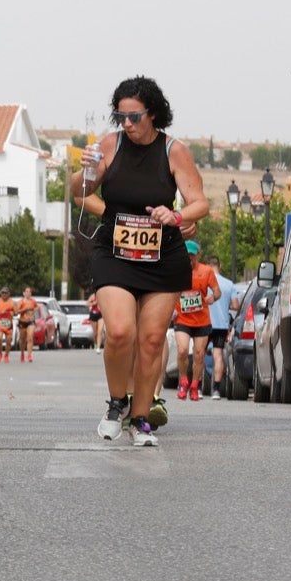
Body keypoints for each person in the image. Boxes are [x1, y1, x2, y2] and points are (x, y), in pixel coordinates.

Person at [68, 76, 208, 447]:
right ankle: (117, 403)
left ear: (154, 114)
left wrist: (176, 217)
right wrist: (85, 170)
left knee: (149, 341)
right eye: (121, 116)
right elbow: (79, 192)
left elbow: (200, 203)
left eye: (134, 117)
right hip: (115, 253)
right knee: (119, 332)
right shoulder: (109, 146)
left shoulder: (173, 151)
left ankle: (141, 418)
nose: (127, 124)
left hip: (163, 257)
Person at [172, 240, 220, 402]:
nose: (189, 259)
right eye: (186, 256)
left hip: (201, 320)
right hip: (182, 319)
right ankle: (183, 381)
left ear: (197, 255)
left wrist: (212, 297)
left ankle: (194, 385)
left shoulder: (206, 271)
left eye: (192, 256)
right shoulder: (176, 270)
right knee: (182, 350)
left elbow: (217, 291)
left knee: (199, 355)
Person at [204, 254, 236, 399]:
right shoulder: (229, 284)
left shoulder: (204, 282)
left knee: (199, 354)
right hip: (221, 325)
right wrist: (225, 304)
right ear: (219, 266)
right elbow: (235, 305)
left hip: (204, 323)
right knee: (218, 356)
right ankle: (216, 390)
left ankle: (196, 388)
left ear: (207, 266)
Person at [0, 287, 16, 363]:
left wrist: (13, 313)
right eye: (3, 293)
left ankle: (6, 355)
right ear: (0, 294)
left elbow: (16, 312)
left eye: (6, 293)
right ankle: (0, 353)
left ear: (9, 294)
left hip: (8, 324)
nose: (4, 294)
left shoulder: (12, 302)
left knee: (8, 341)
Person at [16, 286, 39, 363]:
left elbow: (38, 307)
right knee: (22, 339)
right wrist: (24, 309)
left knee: (30, 338)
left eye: (29, 292)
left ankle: (29, 355)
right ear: (24, 293)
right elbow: (16, 311)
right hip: (22, 321)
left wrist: (33, 310)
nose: (28, 293)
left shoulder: (33, 301)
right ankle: (22, 353)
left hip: (31, 321)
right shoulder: (21, 302)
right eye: (27, 292)